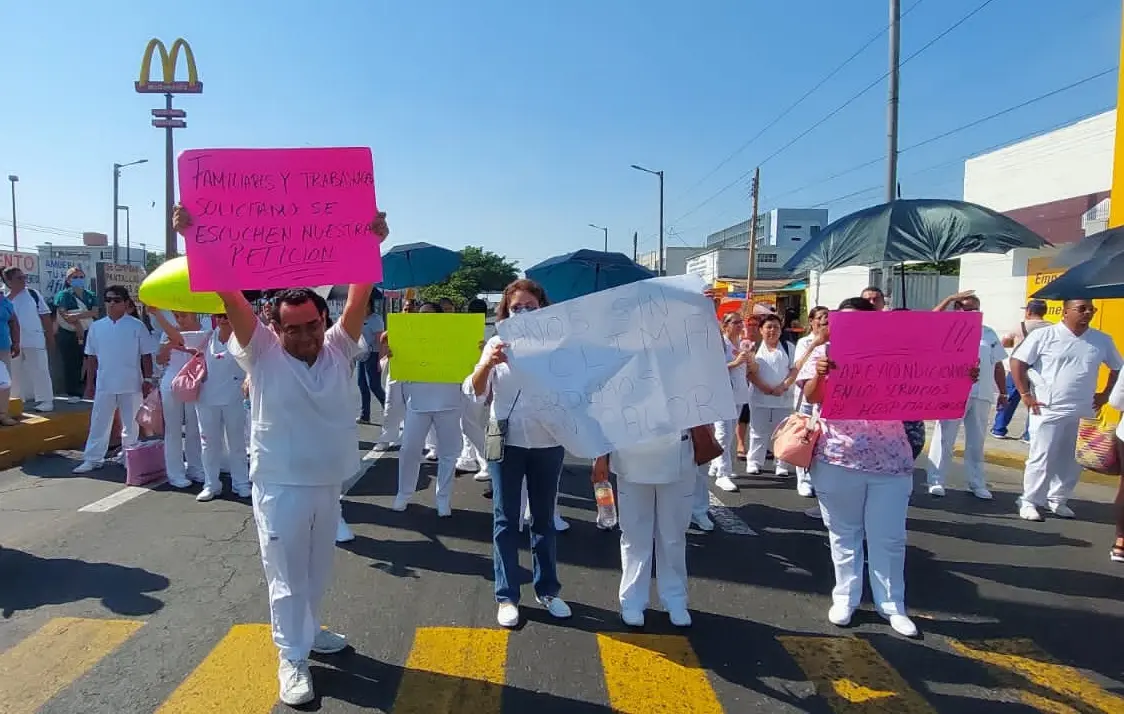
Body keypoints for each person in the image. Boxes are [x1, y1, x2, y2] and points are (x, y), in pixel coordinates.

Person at [175, 203, 388, 706]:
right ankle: (291, 656)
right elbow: (229, 293)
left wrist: (370, 241)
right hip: (279, 484)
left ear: (323, 320)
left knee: (317, 572)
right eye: (291, 328)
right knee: (287, 576)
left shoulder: (339, 348)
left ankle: (309, 634)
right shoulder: (263, 352)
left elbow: (359, 293)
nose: (303, 335)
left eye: (310, 325)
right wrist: (195, 238)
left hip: (327, 483)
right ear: (275, 327)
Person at [797, 296, 920, 638]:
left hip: (891, 461)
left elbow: (930, 387)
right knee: (844, 534)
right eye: (842, 320)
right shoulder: (823, 354)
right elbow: (812, 397)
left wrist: (961, 376)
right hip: (838, 458)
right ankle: (845, 599)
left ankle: (892, 605)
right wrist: (821, 375)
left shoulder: (899, 356)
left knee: (889, 537)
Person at [466, 278, 572, 628]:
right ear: (506, 312)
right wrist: (488, 364)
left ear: (542, 308)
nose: (523, 312)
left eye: (530, 306)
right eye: (516, 308)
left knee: (543, 519)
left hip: (547, 442)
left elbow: (574, 388)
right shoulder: (497, 343)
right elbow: (476, 392)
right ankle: (507, 595)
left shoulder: (558, 345)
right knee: (505, 519)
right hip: (506, 441)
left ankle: (548, 591)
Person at [1011, 298, 1122, 521]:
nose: (1088, 312)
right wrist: (1025, 394)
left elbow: (1117, 367)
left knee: (1073, 460)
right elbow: (1017, 362)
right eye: (1082, 309)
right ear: (1065, 312)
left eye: (1091, 309)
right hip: (1047, 408)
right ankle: (1030, 501)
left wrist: (1105, 394)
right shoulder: (1044, 335)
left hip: (1083, 409)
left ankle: (1058, 499)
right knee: (1042, 456)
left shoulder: (1101, 340)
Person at [594, 430, 694, 629]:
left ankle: (675, 598)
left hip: (677, 454)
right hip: (631, 456)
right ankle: (632, 599)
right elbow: (605, 410)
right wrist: (600, 456)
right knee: (634, 534)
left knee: (673, 534)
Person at [924, 293, 1007, 500]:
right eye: (967, 308)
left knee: (976, 441)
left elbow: (997, 364)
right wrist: (950, 298)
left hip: (982, 393)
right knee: (944, 438)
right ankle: (936, 480)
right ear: (957, 309)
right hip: (953, 392)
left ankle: (977, 483)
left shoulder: (988, 333)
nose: (972, 313)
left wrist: (1003, 392)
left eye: (975, 308)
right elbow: (930, 319)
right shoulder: (947, 330)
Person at [394, 301, 465, 516]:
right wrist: (389, 352)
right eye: (421, 314)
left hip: (449, 403)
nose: (425, 318)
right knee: (408, 450)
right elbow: (390, 368)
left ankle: (443, 498)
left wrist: (476, 350)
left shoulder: (455, 339)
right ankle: (404, 493)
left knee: (449, 453)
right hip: (418, 403)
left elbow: (471, 365)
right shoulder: (408, 338)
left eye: (430, 314)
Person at [73, 285, 154, 473]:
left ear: (126, 303)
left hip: (131, 383)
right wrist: (89, 383)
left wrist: (148, 379)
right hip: (105, 383)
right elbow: (91, 357)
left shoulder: (136, 326)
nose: (111, 304)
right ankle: (93, 458)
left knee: (131, 424)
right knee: (99, 421)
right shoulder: (96, 327)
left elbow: (146, 355)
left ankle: (129, 456)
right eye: (108, 300)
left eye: (116, 300)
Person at [194, 313, 251, 502]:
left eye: (226, 315)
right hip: (207, 398)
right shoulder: (206, 337)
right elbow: (179, 338)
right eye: (219, 316)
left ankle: (241, 483)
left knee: (237, 443)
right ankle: (211, 484)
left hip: (234, 398)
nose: (223, 319)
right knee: (209, 444)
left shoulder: (243, 338)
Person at [149, 310, 208, 489]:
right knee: (173, 429)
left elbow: (191, 346)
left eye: (184, 315)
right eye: (177, 316)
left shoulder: (204, 332)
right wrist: (168, 346)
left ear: (194, 314)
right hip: (172, 382)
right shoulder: (169, 332)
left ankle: (195, 467)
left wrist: (176, 339)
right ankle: (175, 472)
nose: (180, 320)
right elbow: (159, 359)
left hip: (194, 382)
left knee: (194, 427)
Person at [992, 299, 1051, 441]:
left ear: (1029, 311)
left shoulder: (1020, 326)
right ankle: (1029, 435)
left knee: (1009, 399)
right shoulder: (1051, 328)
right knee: (1035, 401)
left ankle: (999, 429)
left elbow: (1004, 343)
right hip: (1039, 371)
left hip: (1017, 369)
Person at [746, 313, 796, 476]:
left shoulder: (789, 347)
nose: (772, 330)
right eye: (768, 327)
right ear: (761, 330)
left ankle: (781, 463)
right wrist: (764, 387)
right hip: (759, 396)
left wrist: (783, 387)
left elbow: (794, 370)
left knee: (782, 432)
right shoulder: (753, 347)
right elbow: (748, 371)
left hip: (783, 397)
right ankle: (754, 461)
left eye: (776, 327)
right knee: (758, 431)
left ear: (781, 330)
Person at [709, 312, 751, 493]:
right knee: (723, 433)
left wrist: (748, 359)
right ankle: (723, 474)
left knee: (730, 433)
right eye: (735, 322)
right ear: (725, 326)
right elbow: (713, 367)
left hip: (739, 393)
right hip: (722, 394)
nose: (739, 325)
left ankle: (716, 464)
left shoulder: (743, 344)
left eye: (741, 322)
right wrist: (735, 362)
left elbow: (749, 367)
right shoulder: (721, 343)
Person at [2, 267, 53, 412]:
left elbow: (45, 315)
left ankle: (45, 400)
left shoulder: (33, 294)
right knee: (14, 372)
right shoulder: (4, 298)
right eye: (19, 278)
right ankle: (16, 401)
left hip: (34, 339)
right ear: (8, 281)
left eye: (24, 277)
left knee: (40, 369)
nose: (23, 281)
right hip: (13, 342)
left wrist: (50, 338)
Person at [793, 306, 829, 498]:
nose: (824, 320)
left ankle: (818, 480)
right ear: (812, 321)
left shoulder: (836, 341)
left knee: (821, 442)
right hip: (807, 398)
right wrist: (815, 343)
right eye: (820, 317)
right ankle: (803, 479)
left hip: (827, 400)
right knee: (805, 438)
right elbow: (799, 366)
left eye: (827, 317)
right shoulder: (804, 342)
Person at [457, 297, 491, 478]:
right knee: (467, 422)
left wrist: (486, 349)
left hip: (481, 382)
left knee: (471, 424)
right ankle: (468, 458)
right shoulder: (464, 329)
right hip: (465, 380)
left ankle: (488, 463)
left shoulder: (492, 333)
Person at [53, 267, 98, 403]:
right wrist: (78, 319)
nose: (78, 280)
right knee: (71, 363)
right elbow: (65, 315)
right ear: (68, 280)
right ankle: (73, 392)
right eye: (75, 277)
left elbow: (95, 312)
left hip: (88, 332)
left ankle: (88, 389)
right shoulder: (63, 295)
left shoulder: (90, 294)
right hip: (68, 333)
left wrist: (77, 315)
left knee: (90, 361)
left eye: (80, 277)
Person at [356, 291, 386, 423]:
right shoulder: (357, 318)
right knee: (362, 384)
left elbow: (381, 341)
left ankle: (388, 409)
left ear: (369, 305)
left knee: (374, 385)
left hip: (373, 354)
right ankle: (365, 415)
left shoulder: (376, 319)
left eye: (365, 304)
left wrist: (381, 360)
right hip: (361, 355)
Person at [0, 290, 17, 376]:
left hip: (4, 346)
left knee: (5, 380)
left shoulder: (7, 303)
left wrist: (15, 342)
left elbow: (12, 322)